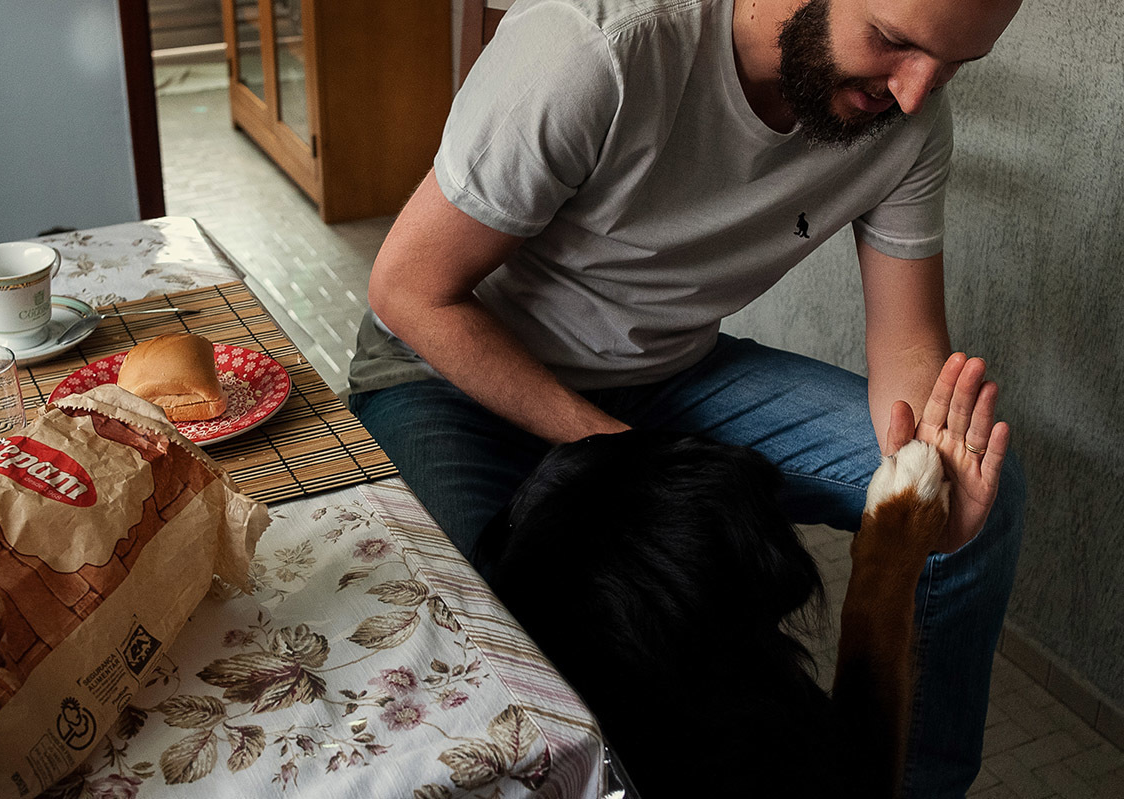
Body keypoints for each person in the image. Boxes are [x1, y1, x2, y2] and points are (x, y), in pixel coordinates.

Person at [346, 0, 1026, 795]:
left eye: (950, 68)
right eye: (893, 42)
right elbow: (408, 291)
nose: (915, 93)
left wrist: (929, 480)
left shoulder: (908, 115)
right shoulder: (592, 51)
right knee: (514, 645)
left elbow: (908, 347)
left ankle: (904, 784)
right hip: (449, 377)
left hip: (666, 374)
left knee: (985, 484)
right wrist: (630, 466)